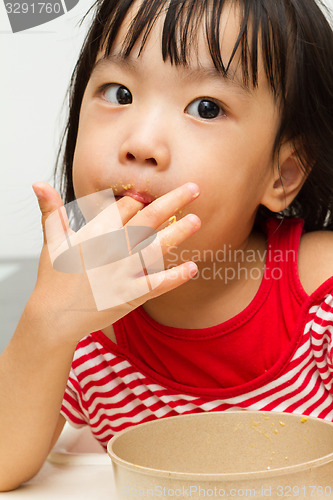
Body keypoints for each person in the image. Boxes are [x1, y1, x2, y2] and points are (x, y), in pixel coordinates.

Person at [1, 0, 333, 491]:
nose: (142, 142)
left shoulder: (319, 289)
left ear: (281, 174)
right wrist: (46, 325)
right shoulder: (83, 312)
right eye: (118, 93)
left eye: (206, 108)